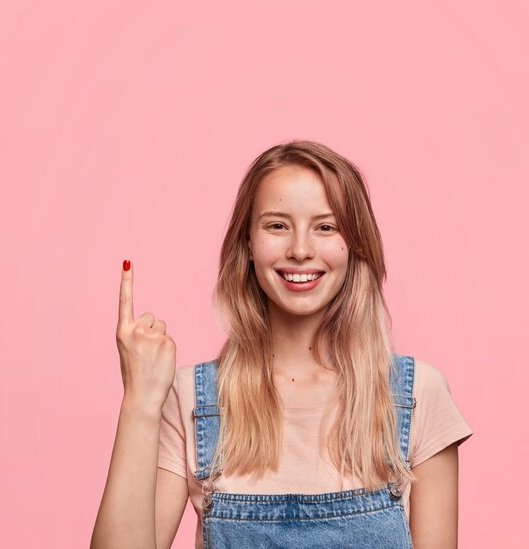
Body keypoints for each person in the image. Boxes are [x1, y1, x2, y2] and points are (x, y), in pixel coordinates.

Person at [90, 140, 473, 549]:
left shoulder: (415, 397)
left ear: (356, 244)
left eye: (326, 227)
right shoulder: (191, 401)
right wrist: (140, 403)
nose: (301, 250)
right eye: (277, 225)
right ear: (248, 244)